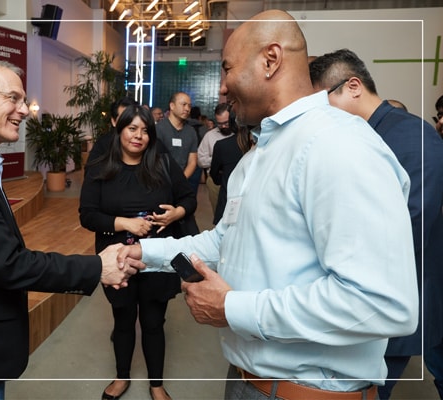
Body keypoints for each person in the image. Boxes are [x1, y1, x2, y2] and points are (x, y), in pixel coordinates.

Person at [117, 10, 418, 400]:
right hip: (246, 380)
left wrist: (232, 309)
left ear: (271, 60)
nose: (222, 88)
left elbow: (380, 302)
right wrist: (144, 252)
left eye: (227, 69)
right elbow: (223, 241)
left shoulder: (338, 145)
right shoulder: (256, 158)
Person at [0, 58, 144, 400]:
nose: (23, 110)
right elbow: (9, 264)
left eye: (22, 100)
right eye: (13, 98)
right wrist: (98, 267)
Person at [309, 48, 443, 399]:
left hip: (392, 297)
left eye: (323, 102)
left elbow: (410, 226)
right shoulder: (358, 134)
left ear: (353, 86)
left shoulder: (412, 136)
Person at [79, 105, 197, 400]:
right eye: (132, 128)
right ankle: (122, 378)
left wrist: (175, 214)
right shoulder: (101, 168)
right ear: (119, 131)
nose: (139, 136)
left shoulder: (162, 163)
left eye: (145, 130)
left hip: (157, 256)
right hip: (117, 259)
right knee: (123, 319)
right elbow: (88, 215)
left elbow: (188, 198)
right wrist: (124, 222)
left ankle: (156, 384)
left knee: (154, 322)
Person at [197, 103, 236, 218]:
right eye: (220, 124)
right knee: (219, 215)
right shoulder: (210, 136)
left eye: (226, 123)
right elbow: (200, 160)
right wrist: (217, 159)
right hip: (216, 181)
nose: (223, 126)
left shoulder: (240, 134)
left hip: (236, 179)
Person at [209, 126, 253, 225]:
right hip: (251, 204)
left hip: (228, 202)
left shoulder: (222, 145)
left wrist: (225, 179)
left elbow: (214, 176)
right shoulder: (261, 146)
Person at [155, 92, 199, 192]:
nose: (187, 109)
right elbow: (153, 159)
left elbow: (192, 161)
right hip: (159, 183)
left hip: (181, 182)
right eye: (183, 104)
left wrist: (180, 180)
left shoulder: (191, 132)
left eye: (189, 106)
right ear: (172, 106)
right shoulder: (158, 129)